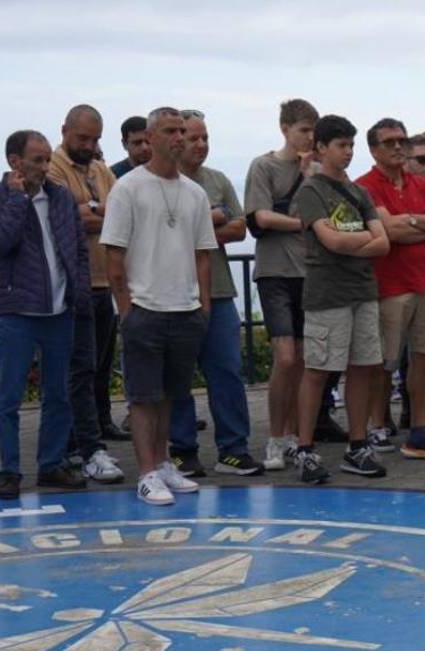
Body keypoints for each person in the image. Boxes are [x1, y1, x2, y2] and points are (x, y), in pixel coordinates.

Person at [101, 108, 215, 505]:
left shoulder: (195, 192)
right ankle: (147, 472)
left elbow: (203, 254)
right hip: (145, 308)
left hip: (185, 309)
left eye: (183, 130)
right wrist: (126, 308)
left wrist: (203, 306)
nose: (179, 138)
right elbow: (114, 254)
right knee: (143, 397)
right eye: (170, 130)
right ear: (150, 137)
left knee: (171, 393)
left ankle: (164, 462)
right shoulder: (128, 188)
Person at [0, 130, 89, 498]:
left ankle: (51, 465)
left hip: (60, 311)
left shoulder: (60, 197)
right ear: (15, 161)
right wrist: (17, 199)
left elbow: (77, 249)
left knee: (57, 394)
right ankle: (9, 471)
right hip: (19, 314)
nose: (46, 166)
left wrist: (80, 295)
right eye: (38, 160)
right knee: (8, 398)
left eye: (46, 159)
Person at [291, 114, 391, 484]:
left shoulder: (360, 193)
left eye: (351, 145)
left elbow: (383, 242)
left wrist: (352, 242)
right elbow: (330, 241)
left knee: (364, 367)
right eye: (341, 145)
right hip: (327, 293)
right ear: (321, 148)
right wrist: (360, 240)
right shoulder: (311, 191)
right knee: (318, 370)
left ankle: (357, 443)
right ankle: (304, 448)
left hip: (363, 291)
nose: (347, 153)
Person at [355, 117, 425, 460]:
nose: (398, 147)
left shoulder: (422, 185)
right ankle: (377, 425)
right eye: (389, 142)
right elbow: (388, 231)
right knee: (382, 362)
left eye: (402, 140)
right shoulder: (365, 186)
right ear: (373, 149)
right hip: (388, 285)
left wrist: (412, 220)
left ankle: (419, 431)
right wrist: (422, 223)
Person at [168, 111, 263, 478]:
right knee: (177, 376)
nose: (201, 144)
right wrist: (214, 218)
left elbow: (240, 229)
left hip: (220, 290)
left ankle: (234, 449)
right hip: (174, 293)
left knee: (226, 372)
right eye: (194, 138)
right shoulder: (161, 182)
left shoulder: (219, 180)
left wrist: (199, 226)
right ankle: (181, 449)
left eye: (205, 137)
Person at [45, 105, 126, 486]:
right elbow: (65, 217)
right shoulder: (54, 167)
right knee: (75, 371)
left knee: (95, 370)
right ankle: (84, 446)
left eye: (95, 139)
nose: (91, 146)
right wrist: (100, 212)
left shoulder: (98, 168)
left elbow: (122, 211)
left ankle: (83, 443)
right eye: (83, 139)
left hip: (104, 283)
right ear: (65, 131)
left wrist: (94, 209)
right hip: (73, 286)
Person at [244, 98, 318, 471]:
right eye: (303, 129)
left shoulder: (316, 170)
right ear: (285, 128)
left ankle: (294, 435)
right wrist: (299, 222)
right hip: (274, 271)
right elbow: (259, 217)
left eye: (312, 131)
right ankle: (275, 437)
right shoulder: (264, 165)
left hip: (309, 272)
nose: (308, 137)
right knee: (285, 357)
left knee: (303, 361)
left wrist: (309, 177)